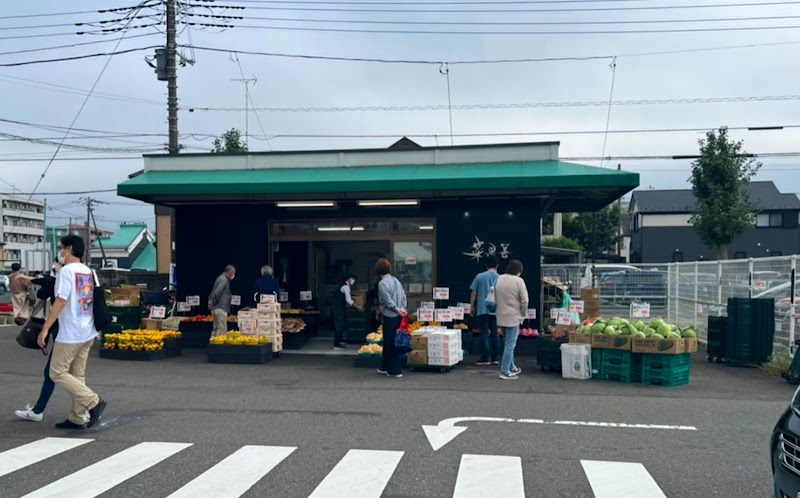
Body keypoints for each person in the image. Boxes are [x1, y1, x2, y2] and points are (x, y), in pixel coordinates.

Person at [38, 235, 107, 429]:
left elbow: (61, 301)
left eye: (61, 248)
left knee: (56, 372)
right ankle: (78, 417)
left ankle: (93, 402)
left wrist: (45, 329)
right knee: (78, 375)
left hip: (71, 332)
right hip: (88, 330)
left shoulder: (66, 272)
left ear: (69, 249)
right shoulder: (89, 271)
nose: (60, 252)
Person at [14, 260, 85, 423]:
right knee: (72, 373)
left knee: (54, 373)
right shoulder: (81, 276)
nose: (56, 267)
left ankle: (90, 404)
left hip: (65, 332)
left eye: (57, 264)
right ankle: (81, 412)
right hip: (79, 332)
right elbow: (47, 286)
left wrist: (29, 279)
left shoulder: (63, 278)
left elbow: (46, 289)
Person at [495, 259, 528, 380]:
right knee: (510, 345)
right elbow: (525, 300)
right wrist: (523, 314)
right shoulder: (519, 281)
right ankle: (505, 371)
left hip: (500, 315)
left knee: (507, 343)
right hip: (513, 316)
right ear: (518, 271)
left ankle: (512, 366)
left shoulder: (499, 278)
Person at [376, 258, 407, 378]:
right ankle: (385, 366)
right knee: (391, 341)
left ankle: (394, 370)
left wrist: (396, 309)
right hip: (399, 315)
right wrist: (403, 308)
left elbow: (387, 301)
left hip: (390, 315)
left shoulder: (382, 284)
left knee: (390, 342)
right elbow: (404, 295)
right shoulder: (396, 280)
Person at [469, 256, 501, 366]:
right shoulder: (500, 278)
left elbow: (474, 293)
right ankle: (495, 358)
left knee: (484, 333)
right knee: (495, 334)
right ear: (497, 266)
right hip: (496, 310)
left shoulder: (480, 276)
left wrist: (472, 306)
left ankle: (485, 357)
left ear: (486, 265)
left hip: (482, 309)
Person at [331, 274, 363, 350]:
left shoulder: (345, 286)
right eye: (352, 279)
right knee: (339, 324)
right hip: (337, 307)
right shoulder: (345, 287)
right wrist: (358, 307)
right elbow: (348, 300)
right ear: (348, 279)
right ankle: (336, 344)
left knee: (342, 323)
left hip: (339, 307)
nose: (353, 280)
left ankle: (340, 340)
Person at [209, 265, 236, 337]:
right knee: (222, 330)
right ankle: (218, 347)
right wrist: (212, 302)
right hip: (221, 308)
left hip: (216, 308)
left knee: (215, 329)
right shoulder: (224, 280)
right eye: (233, 272)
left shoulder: (220, 278)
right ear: (230, 271)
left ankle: (213, 346)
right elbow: (217, 292)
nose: (234, 275)